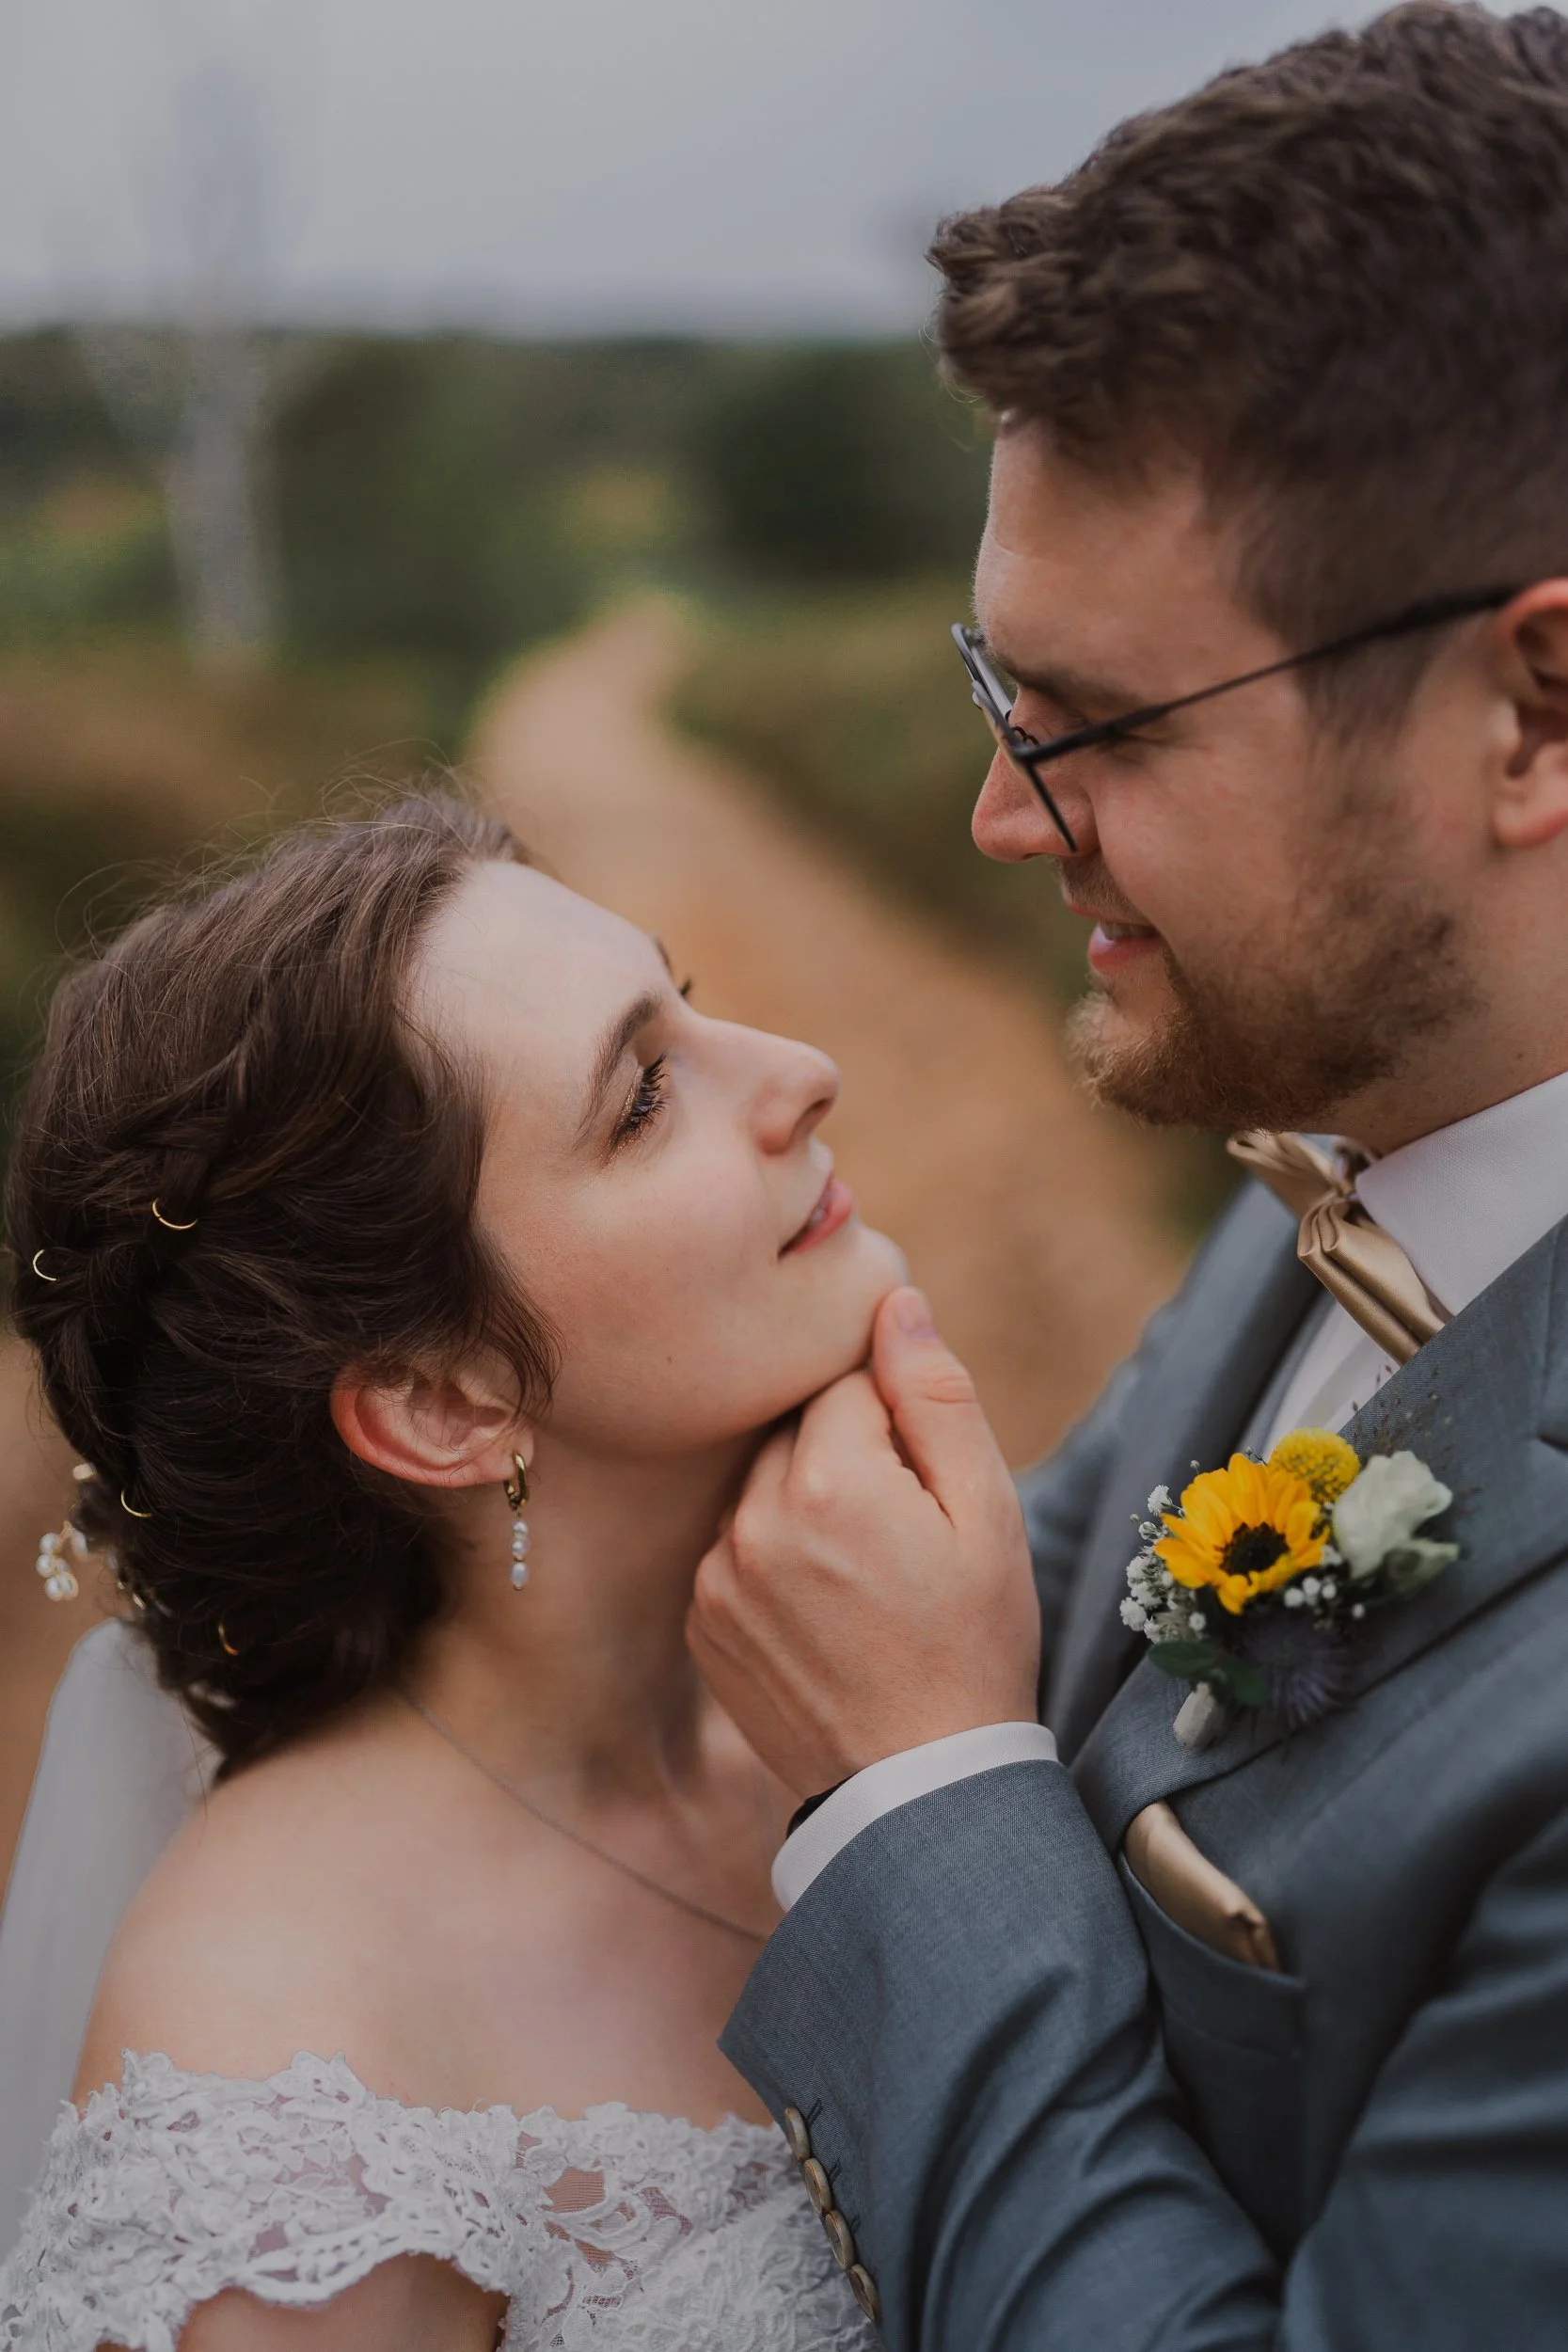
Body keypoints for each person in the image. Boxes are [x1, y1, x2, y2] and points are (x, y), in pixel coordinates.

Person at [688, 7, 1568, 2346]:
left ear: (1530, 705)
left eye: (1090, 727)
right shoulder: (1350, 1112)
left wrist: (905, 1794)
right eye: (1000, 694)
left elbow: (948, 1747)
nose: (1001, 812)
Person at [0, 794, 906, 2348]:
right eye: (641, 1098)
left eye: (688, 1002)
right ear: (444, 1403)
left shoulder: (858, 1672)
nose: (797, 1070)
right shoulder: (282, 2090)